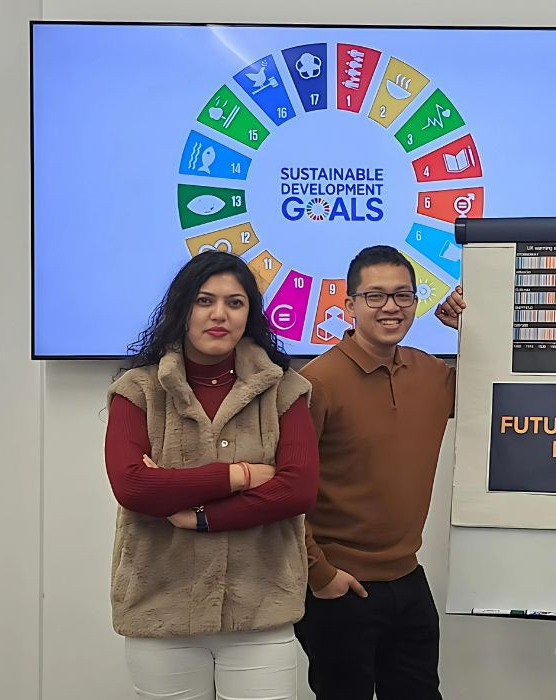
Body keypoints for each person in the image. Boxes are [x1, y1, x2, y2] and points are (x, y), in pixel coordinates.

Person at [103, 250, 319, 700]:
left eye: (235, 303)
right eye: (205, 301)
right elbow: (132, 486)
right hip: (160, 609)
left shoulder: (284, 388)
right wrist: (242, 476)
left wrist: (201, 515)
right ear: (182, 309)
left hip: (260, 613)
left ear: (249, 315)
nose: (219, 314)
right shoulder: (138, 390)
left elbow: (298, 489)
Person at [295, 245, 465, 700]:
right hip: (340, 585)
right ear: (349, 306)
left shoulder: (431, 374)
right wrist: (320, 575)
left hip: (408, 579)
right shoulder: (317, 382)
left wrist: (470, 327)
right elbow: (284, 489)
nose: (391, 307)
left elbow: (498, 389)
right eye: (375, 296)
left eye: (403, 296)